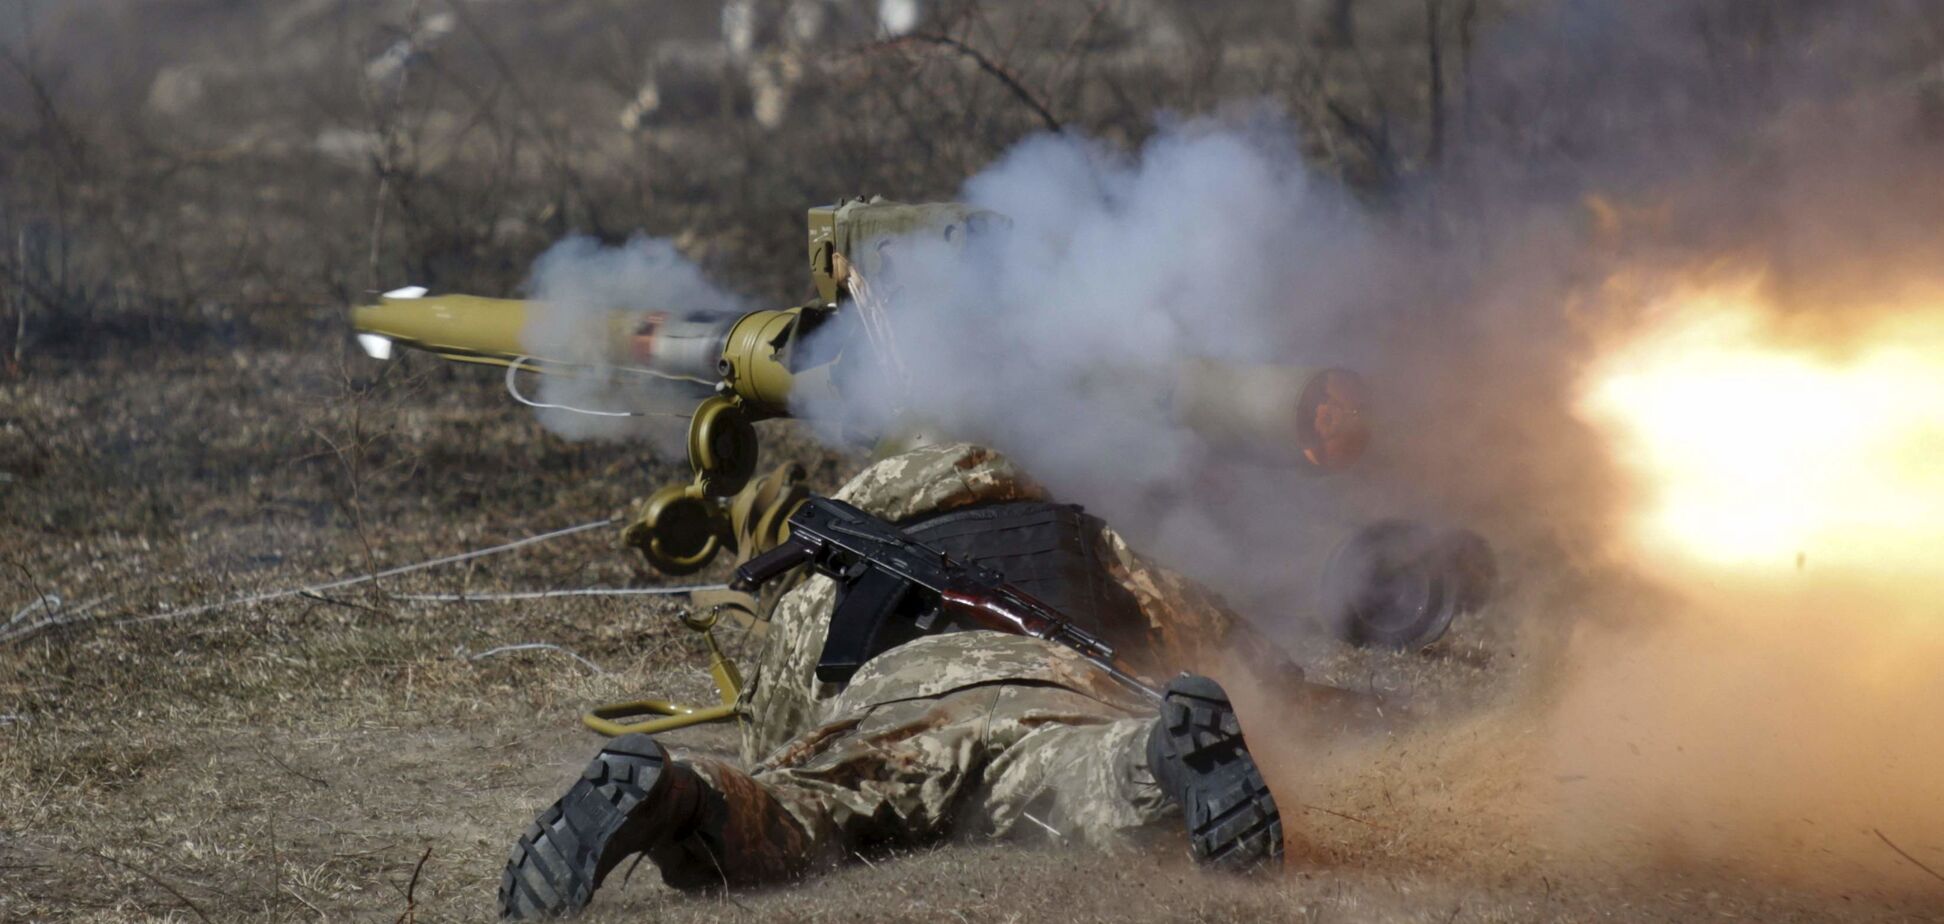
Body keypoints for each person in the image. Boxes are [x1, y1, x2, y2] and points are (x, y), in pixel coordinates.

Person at [499, 443, 1299, 920]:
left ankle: (671, 796)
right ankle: (1159, 757)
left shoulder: (830, 570)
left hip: (892, 703)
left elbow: (784, 703)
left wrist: (776, 769)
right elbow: (1201, 628)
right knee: (1093, 777)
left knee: (792, 807)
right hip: (1055, 690)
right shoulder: (1084, 537)